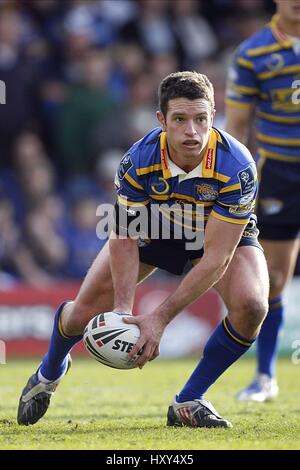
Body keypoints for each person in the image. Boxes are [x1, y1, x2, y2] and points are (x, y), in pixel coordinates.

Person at [17, 71, 269, 428]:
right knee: (82, 314)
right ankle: (48, 373)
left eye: (201, 119)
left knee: (252, 306)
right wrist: (122, 308)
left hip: (216, 233)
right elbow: (123, 234)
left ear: (213, 116)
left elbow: (217, 258)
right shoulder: (138, 159)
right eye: (180, 120)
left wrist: (159, 318)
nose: (191, 131)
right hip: (155, 229)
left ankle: (189, 400)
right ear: (161, 120)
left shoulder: (237, 166)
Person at [225, 0, 300, 402]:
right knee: (273, 276)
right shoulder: (252, 52)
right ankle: (266, 376)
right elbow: (237, 127)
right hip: (281, 174)